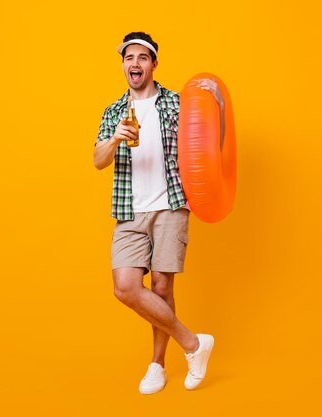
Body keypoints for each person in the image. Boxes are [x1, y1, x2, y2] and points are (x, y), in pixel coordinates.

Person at [93, 32, 225, 394]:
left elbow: (210, 134)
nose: (134, 63)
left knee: (163, 289)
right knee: (125, 287)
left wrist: (215, 101)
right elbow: (97, 161)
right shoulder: (114, 111)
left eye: (142, 57)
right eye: (128, 58)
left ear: (153, 64)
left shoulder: (175, 104)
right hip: (129, 209)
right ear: (123, 65)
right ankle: (193, 343)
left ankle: (157, 365)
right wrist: (115, 138)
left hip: (170, 205)